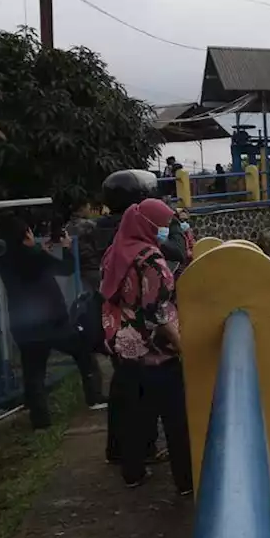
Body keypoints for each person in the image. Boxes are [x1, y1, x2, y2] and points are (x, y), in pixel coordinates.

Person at [100, 198, 192, 493]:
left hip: (125, 346)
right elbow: (158, 312)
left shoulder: (115, 251)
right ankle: (186, 481)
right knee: (176, 418)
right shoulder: (151, 260)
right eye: (163, 226)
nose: (166, 231)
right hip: (155, 351)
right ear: (149, 226)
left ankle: (133, 473)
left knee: (136, 415)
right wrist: (181, 346)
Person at [0, 216, 105, 429]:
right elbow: (66, 268)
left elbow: (29, 268)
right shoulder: (36, 256)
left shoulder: (3, 262)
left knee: (34, 373)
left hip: (23, 326)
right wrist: (65, 247)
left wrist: (41, 252)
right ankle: (95, 397)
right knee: (83, 353)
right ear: (26, 234)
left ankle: (41, 421)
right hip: (52, 322)